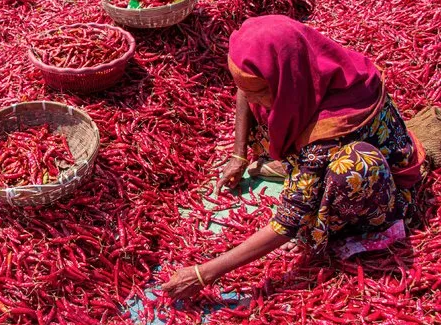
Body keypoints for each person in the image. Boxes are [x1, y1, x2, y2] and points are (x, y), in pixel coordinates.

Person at [163, 15, 427, 299]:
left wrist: (205, 273)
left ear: (283, 77)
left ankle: (370, 230)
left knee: (353, 168)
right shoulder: (306, 65)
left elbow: (288, 221)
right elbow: (246, 89)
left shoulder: (329, 128)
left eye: (260, 91)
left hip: (383, 191)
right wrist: (238, 155)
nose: (253, 99)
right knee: (269, 113)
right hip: (318, 147)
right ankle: (304, 172)